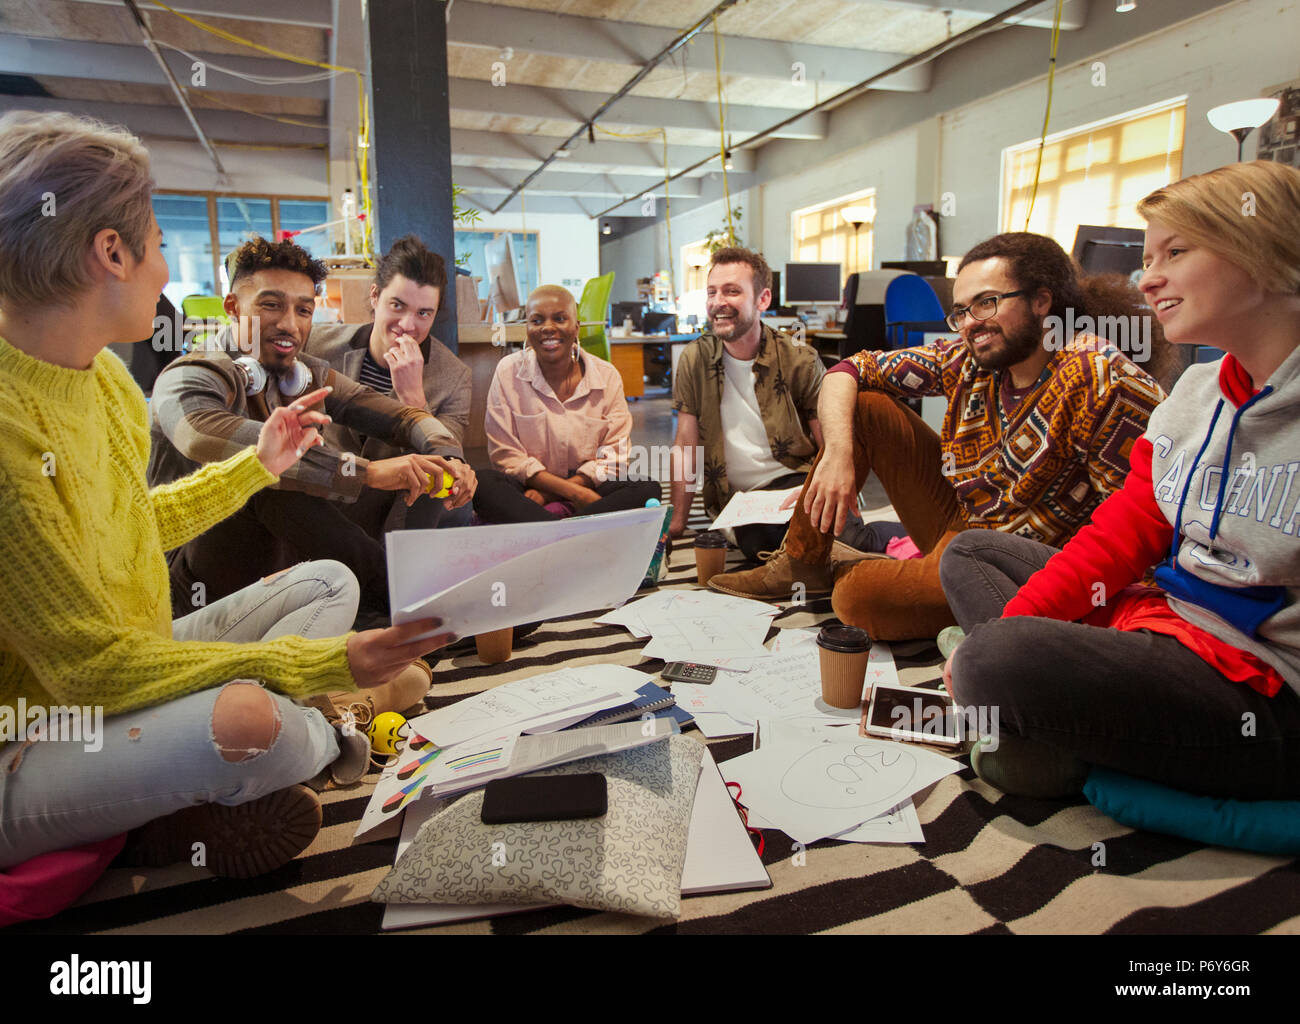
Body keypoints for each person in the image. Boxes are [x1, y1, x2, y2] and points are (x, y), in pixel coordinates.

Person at [0, 111, 453, 876]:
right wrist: (326, 662)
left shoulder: (104, 376)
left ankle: (168, 809)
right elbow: (87, 673)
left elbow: (135, 522)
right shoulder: (141, 386)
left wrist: (277, 461)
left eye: (302, 307)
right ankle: (345, 713)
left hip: (137, 655)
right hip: (39, 729)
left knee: (329, 579)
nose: (165, 267)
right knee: (252, 721)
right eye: (156, 238)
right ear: (110, 251)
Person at [940, 161, 1300, 800]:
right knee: (970, 555)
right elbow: (1118, 537)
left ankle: (1047, 737)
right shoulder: (1194, 394)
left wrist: (1003, 648)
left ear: (1265, 249)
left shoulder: (1095, 371)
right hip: (1163, 622)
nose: (1148, 277)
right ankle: (1051, 721)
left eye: (1176, 251)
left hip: (1260, 687)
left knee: (991, 661)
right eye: (1147, 256)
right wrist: (1019, 625)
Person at [709, 232, 1167, 642]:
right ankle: (803, 562)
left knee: (856, 601)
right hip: (962, 522)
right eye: (962, 310)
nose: (970, 322)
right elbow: (848, 370)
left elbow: (1138, 534)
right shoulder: (968, 356)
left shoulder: (1100, 379)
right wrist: (837, 456)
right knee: (866, 407)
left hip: (1024, 563)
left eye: (986, 303)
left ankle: (853, 566)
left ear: (1042, 301)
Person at [148, 236, 476, 622]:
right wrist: (368, 472)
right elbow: (201, 433)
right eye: (271, 305)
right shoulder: (192, 374)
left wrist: (449, 458)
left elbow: (402, 418)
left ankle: (394, 607)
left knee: (426, 468)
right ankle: (401, 603)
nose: (289, 323)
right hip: (186, 587)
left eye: (303, 310)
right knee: (265, 475)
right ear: (233, 308)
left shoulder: (305, 372)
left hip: (284, 562)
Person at [304, 234, 475, 535]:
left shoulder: (454, 377)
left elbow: (447, 456)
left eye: (424, 313)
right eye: (397, 305)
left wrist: (414, 400)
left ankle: (399, 574)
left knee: (442, 484)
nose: (408, 325)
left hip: (396, 506)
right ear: (375, 296)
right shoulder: (319, 346)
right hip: (327, 491)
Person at [668, 247, 826, 559]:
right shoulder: (694, 359)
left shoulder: (799, 360)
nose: (718, 302)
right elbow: (685, 445)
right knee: (763, 539)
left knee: (821, 525)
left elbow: (830, 445)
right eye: (712, 292)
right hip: (736, 496)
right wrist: (677, 523)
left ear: (762, 299)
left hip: (793, 481)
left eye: (732, 291)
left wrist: (818, 494)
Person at [473, 284, 659, 522]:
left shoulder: (606, 375)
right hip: (531, 488)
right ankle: (575, 529)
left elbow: (614, 456)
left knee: (646, 488)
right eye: (537, 321)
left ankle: (543, 528)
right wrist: (573, 493)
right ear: (527, 328)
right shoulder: (508, 371)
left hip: (585, 486)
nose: (548, 328)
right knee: (484, 483)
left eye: (560, 319)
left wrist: (547, 495)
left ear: (576, 327)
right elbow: (506, 456)